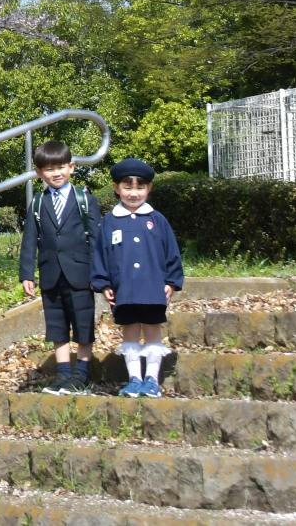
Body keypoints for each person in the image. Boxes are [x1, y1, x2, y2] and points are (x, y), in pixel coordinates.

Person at [92, 157, 184, 398]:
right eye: (127, 186)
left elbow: (171, 252)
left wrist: (172, 283)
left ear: (149, 189)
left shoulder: (157, 220)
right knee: (130, 330)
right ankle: (134, 378)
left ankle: (152, 379)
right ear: (116, 188)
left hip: (153, 289)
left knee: (153, 329)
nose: (134, 193)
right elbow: (100, 254)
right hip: (124, 290)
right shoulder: (109, 222)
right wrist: (103, 284)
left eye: (140, 187)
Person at [18, 138, 98, 394]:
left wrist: (102, 273)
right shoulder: (38, 204)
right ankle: (64, 374)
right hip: (51, 273)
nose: (56, 173)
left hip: (81, 273)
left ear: (72, 167)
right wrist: (27, 273)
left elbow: (96, 237)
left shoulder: (84, 199)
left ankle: (82, 373)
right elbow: (30, 239)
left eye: (61, 167)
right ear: (40, 173)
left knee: (83, 323)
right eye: (49, 169)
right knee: (57, 325)